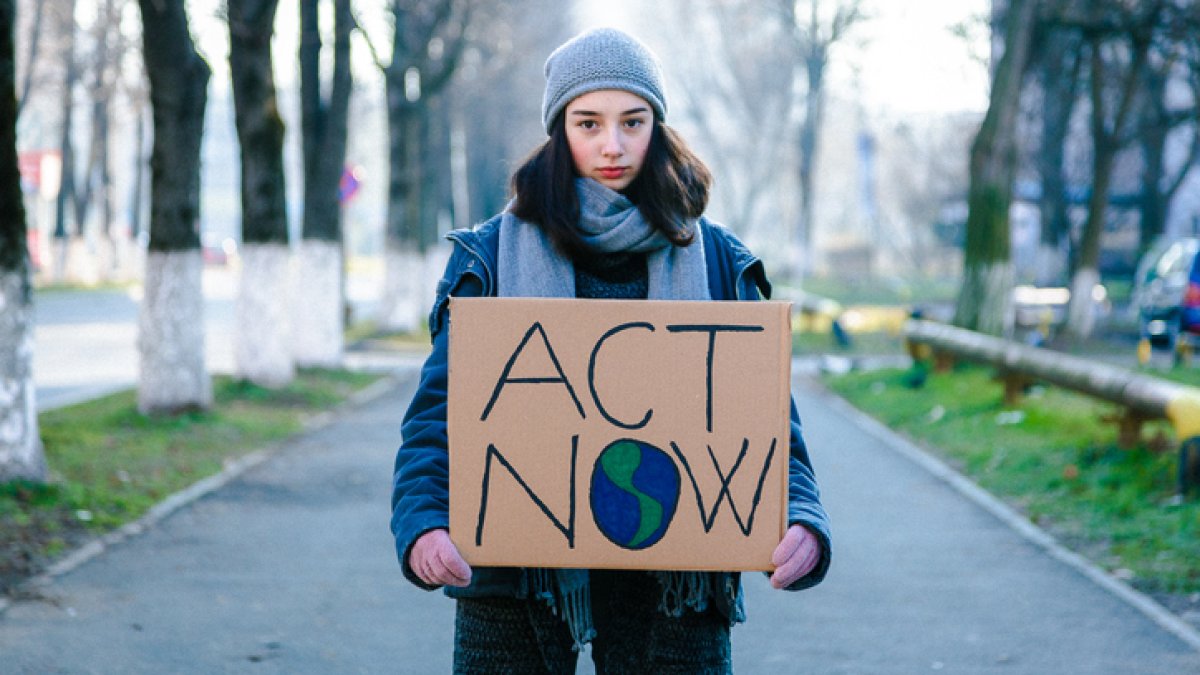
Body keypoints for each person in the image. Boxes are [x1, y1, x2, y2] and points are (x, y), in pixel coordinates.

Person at [390, 27, 831, 674]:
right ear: (558, 128)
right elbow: (437, 418)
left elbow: (761, 423)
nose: (613, 145)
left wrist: (802, 518)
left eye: (633, 121)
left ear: (657, 124)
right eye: (588, 122)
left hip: (675, 575)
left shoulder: (717, 261)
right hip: (519, 577)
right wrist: (423, 522)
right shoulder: (489, 258)